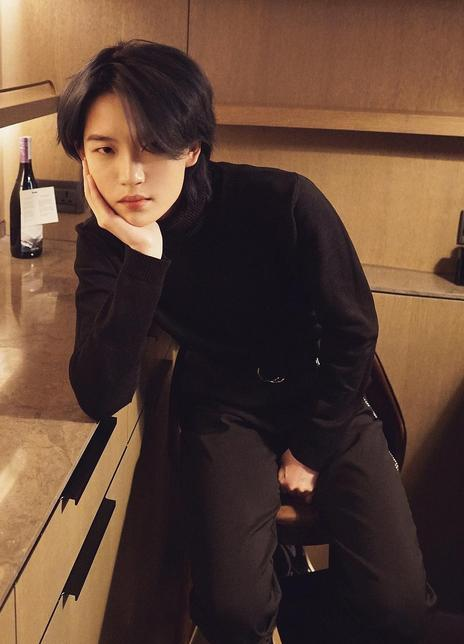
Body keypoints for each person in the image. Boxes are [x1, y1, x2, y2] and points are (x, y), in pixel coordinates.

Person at [57, 39, 430, 644]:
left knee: (399, 607)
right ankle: (264, 592)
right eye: (105, 149)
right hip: (224, 408)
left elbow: (354, 329)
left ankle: (286, 591)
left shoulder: (284, 201)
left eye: (152, 146)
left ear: (192, 147)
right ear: (81, 154)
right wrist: (146, 258)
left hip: (324, 394)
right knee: (232, 611)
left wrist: (310, 449)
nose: (129, 175)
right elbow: (99, 391)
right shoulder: (107, 241)